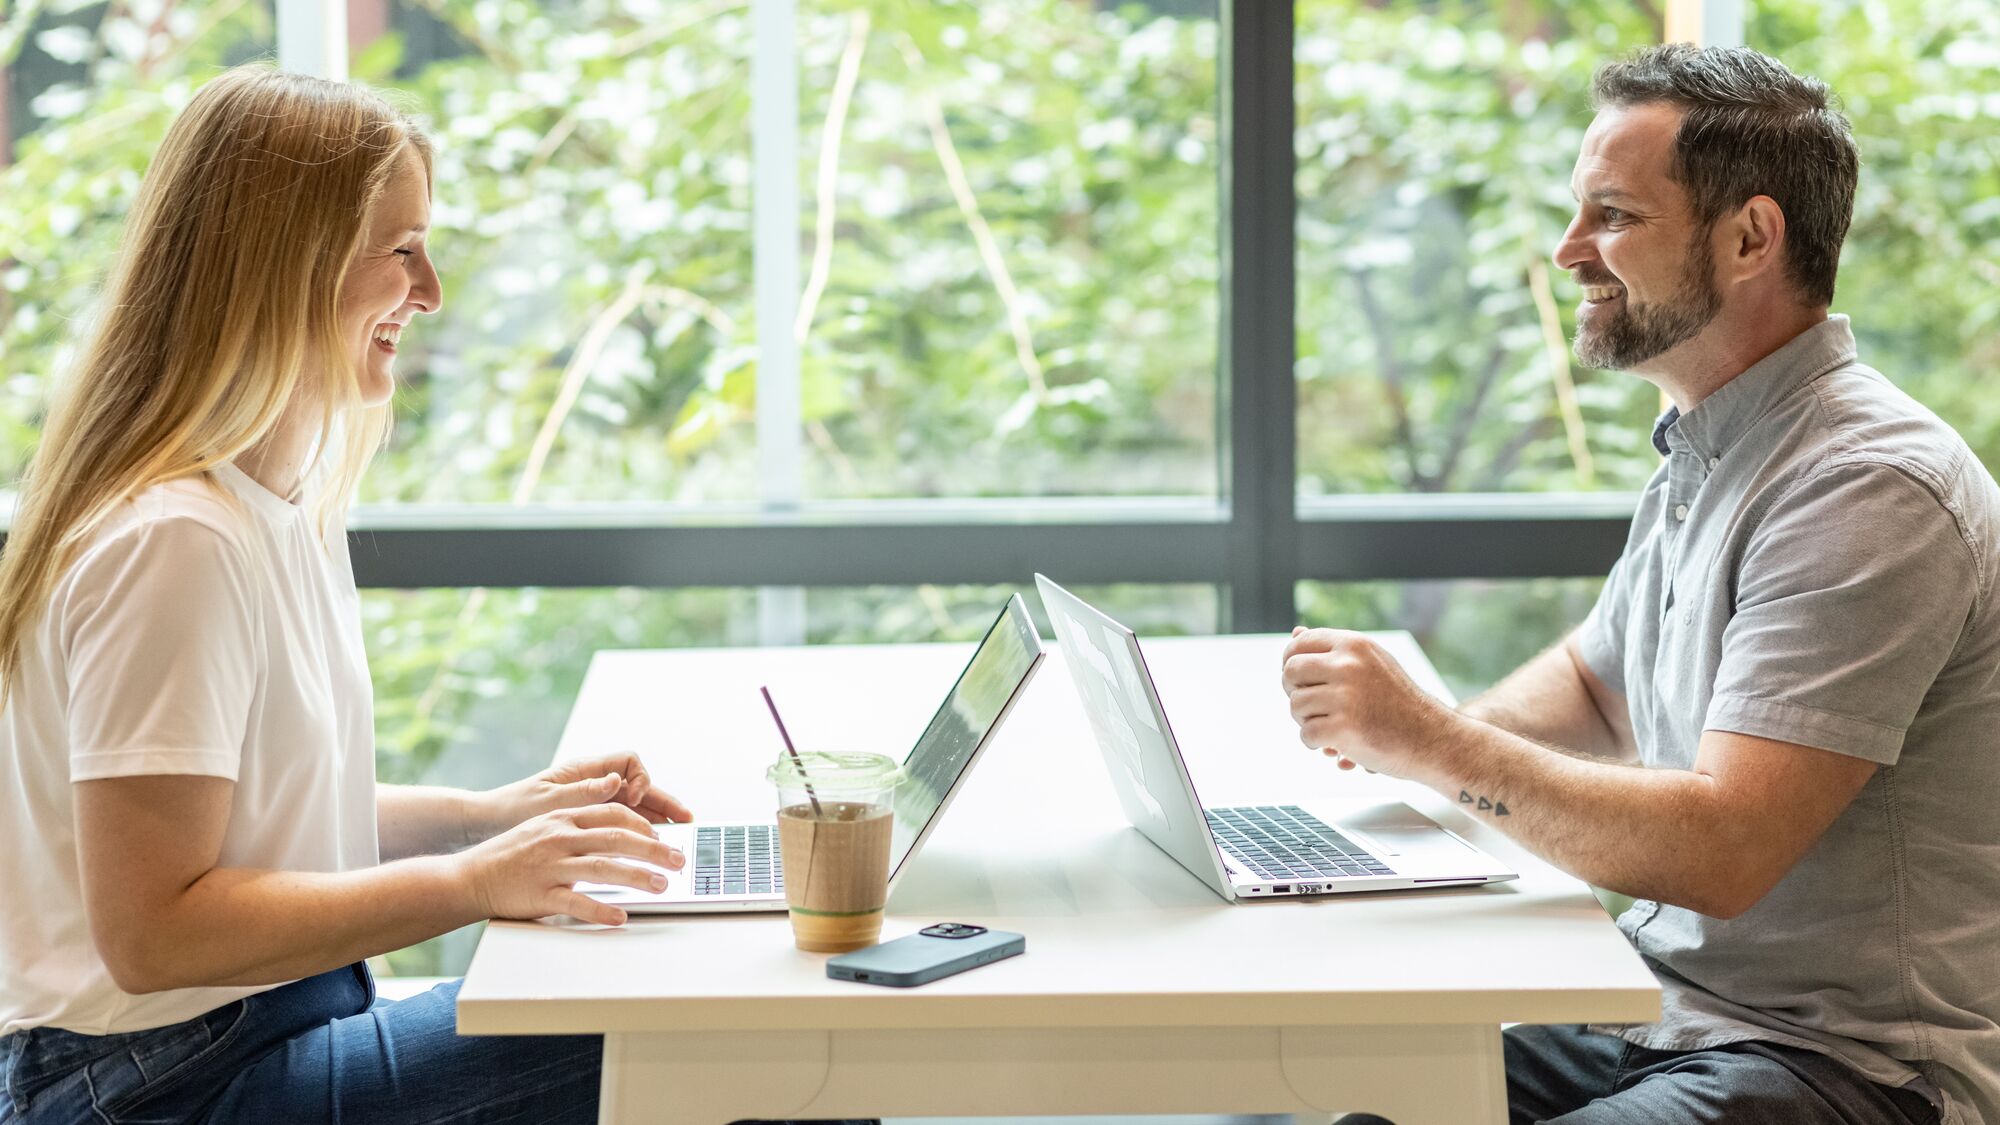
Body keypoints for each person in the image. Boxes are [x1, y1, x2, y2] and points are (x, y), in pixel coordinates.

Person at [1284, 44, 1997, 1125]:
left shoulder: (1867, 487)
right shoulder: (1709, 442)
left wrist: (1429, 741)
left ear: (1748, 237)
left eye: (1612, 216)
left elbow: (1723, 848)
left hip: (1842, 1065)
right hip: (1653, 1010)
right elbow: (1594, 685)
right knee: (1281, 1082)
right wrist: (1402, 765)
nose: (1570, 251)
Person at [0, 64, 695, 1124]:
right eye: (401, 250)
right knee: (735, 1050)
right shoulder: (174, 543)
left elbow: (248, 825)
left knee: (722, 1034)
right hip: (163, 1087)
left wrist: (487, 818)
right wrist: (475, 884)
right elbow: (154, 933)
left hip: (237, 1040)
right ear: (285, 268)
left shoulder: (268, 504)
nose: (430, 292)